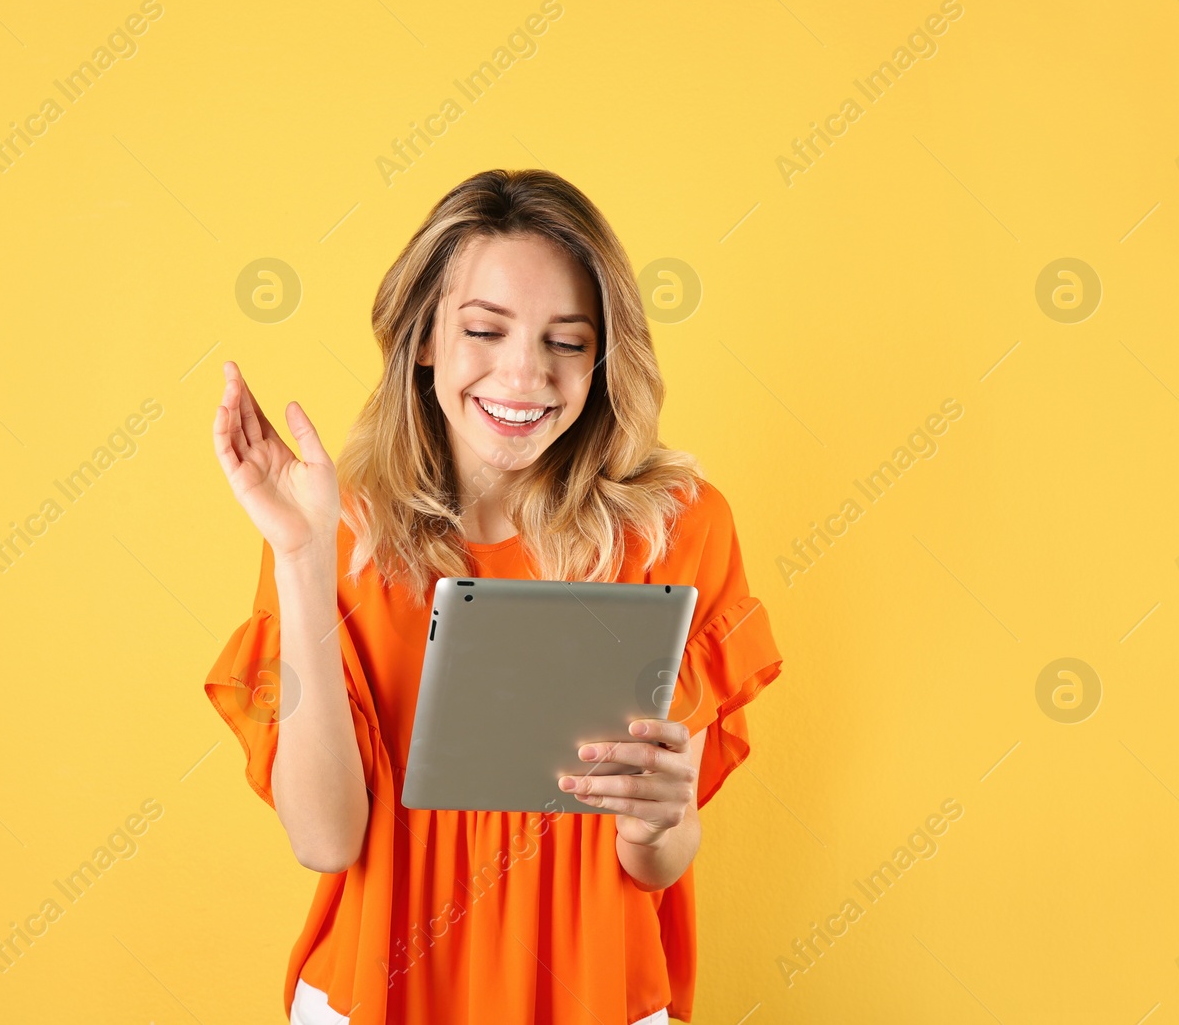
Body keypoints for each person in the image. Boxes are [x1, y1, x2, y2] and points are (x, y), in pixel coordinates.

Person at [206, 168, 784, 1024]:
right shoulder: (328, 524)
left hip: (596, 995)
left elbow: (656, 863)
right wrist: (298, 554)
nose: (524, 375)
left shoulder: (677, 530)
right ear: (427, 337)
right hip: (376, 994)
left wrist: (662, 820)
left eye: (568, 340)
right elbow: (325, 839)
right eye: (485, 329)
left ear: (603, 357)